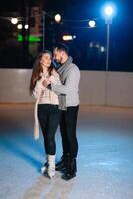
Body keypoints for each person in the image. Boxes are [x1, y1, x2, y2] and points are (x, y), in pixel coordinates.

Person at [42, 44, 80, 180]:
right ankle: (65, 160)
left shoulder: (73, 69)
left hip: (71, 106)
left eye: (55, 55)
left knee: (70, 135)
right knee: (64, 134)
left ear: (63, 54)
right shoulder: (61, 68)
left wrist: (51, 86)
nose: (54, 57)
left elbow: (68, 89)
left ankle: (72, 165)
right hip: (62, 104)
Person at [29, 50, 61, 179]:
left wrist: (52, 80)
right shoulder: (36, 76)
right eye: (46, 58)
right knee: (46, 136)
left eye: (50, 58)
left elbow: (59, 90)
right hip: (42, 108)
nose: (49, 60)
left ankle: (52, 165)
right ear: (40, 60)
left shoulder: (55, 73)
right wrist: (40, 83)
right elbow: (34, 95)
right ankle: (48, 161)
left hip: (54, 108)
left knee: (50, 136)